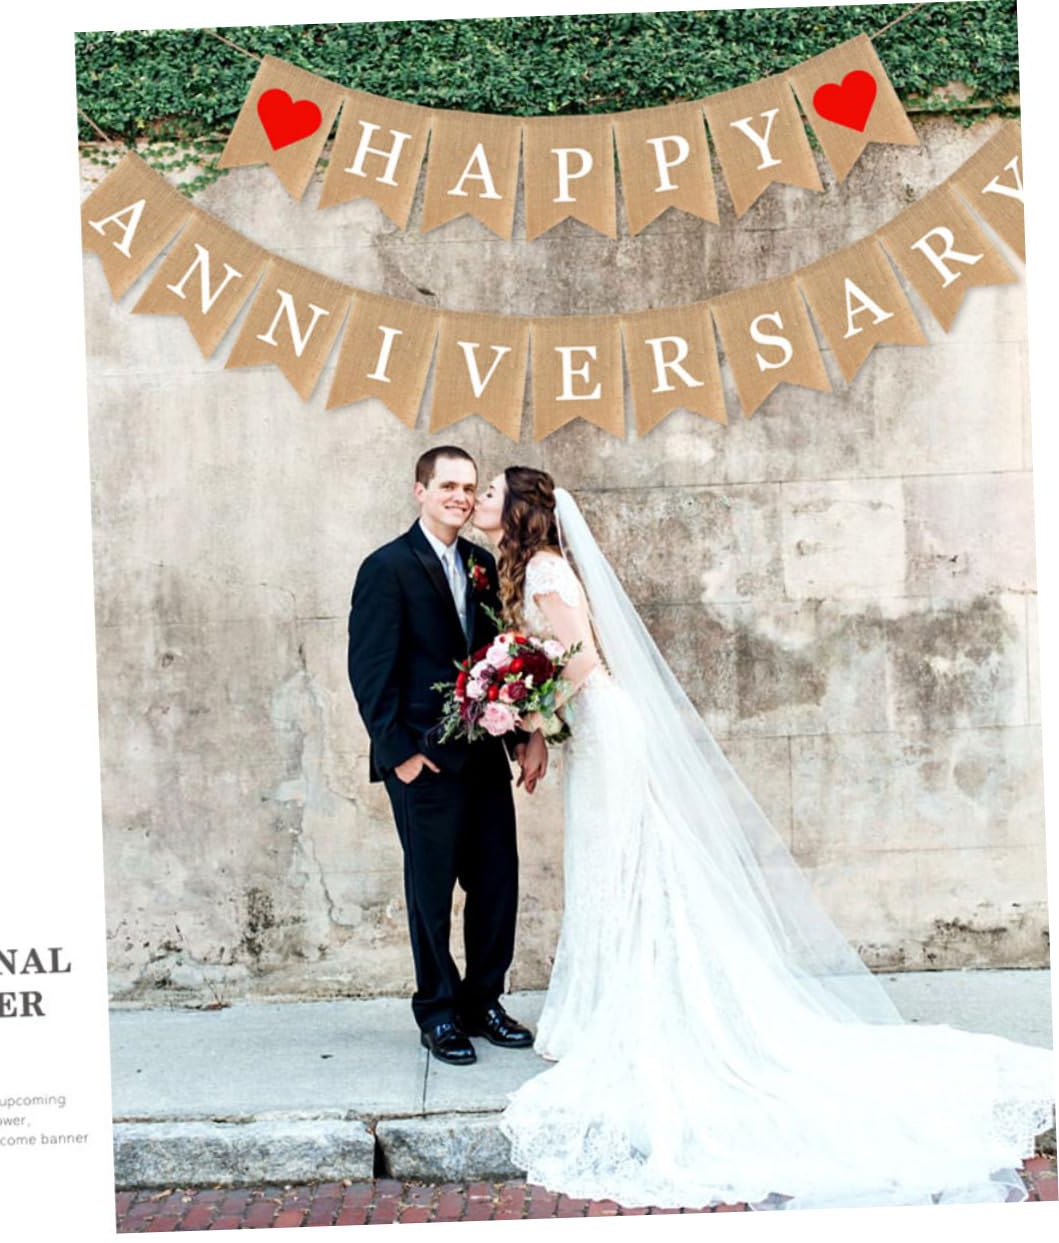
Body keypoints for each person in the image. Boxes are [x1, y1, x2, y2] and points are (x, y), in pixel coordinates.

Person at [471, 465, 1056, 1210]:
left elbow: (581, 660)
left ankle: (614, 1010)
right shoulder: (529, 568)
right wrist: (534, 719)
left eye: (490, 492)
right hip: (592, 732)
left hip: (606, 729)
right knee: (610, 864)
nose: (480, 499)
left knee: (620, 863)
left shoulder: (547, 569)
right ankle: (596, 1004)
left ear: (519, 510)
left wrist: (528, 711)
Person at [347, 446, 548, 1067]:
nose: (461, 497)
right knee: (431, 894)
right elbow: (369, 671)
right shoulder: (386, 567)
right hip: (424, 763)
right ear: (421, 491)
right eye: (448, 486)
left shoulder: (482, 564)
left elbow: (499, 661)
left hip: (483, 756)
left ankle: (483, 1002)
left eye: (468, 487)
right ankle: (438, 1011)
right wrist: (400, 756)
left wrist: (522, 737)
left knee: (496, 886)